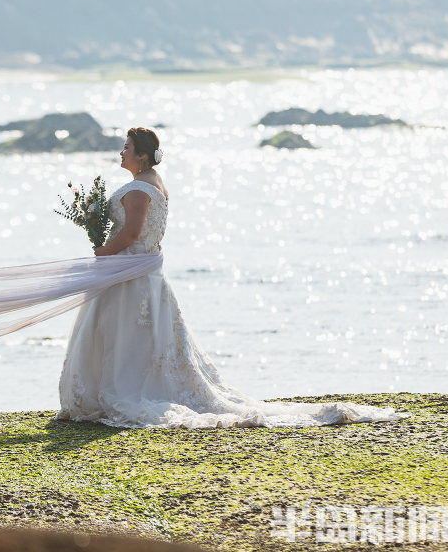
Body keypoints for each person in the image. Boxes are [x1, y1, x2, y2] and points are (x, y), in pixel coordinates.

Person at [57, 127, 409, 428]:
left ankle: (125, 391)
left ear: (144, 156)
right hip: (143, 274)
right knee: (142, 340)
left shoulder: (138, 190)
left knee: (128, 339)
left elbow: (132, 234)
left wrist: (103, 251)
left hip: (129, 274)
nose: (121, 153)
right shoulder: (154, 184)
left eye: (127, 148)